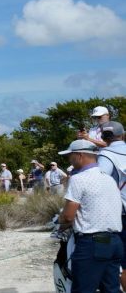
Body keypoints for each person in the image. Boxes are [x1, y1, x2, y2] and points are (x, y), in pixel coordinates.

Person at [57, 140, 123, 293]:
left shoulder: (79, 179)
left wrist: (58, 223)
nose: (69, 160)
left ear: (79, 155)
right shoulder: (109, 179)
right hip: (114, 241)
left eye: (70, 156)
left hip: (92, 243)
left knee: (83, 289)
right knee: (111, 289)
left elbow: (68, 216)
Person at [97, 123, 126, 291]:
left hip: (121, 214)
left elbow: (100, 182)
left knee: (122, 263)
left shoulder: (106, 155)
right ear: (122, 134)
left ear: (103, 138)